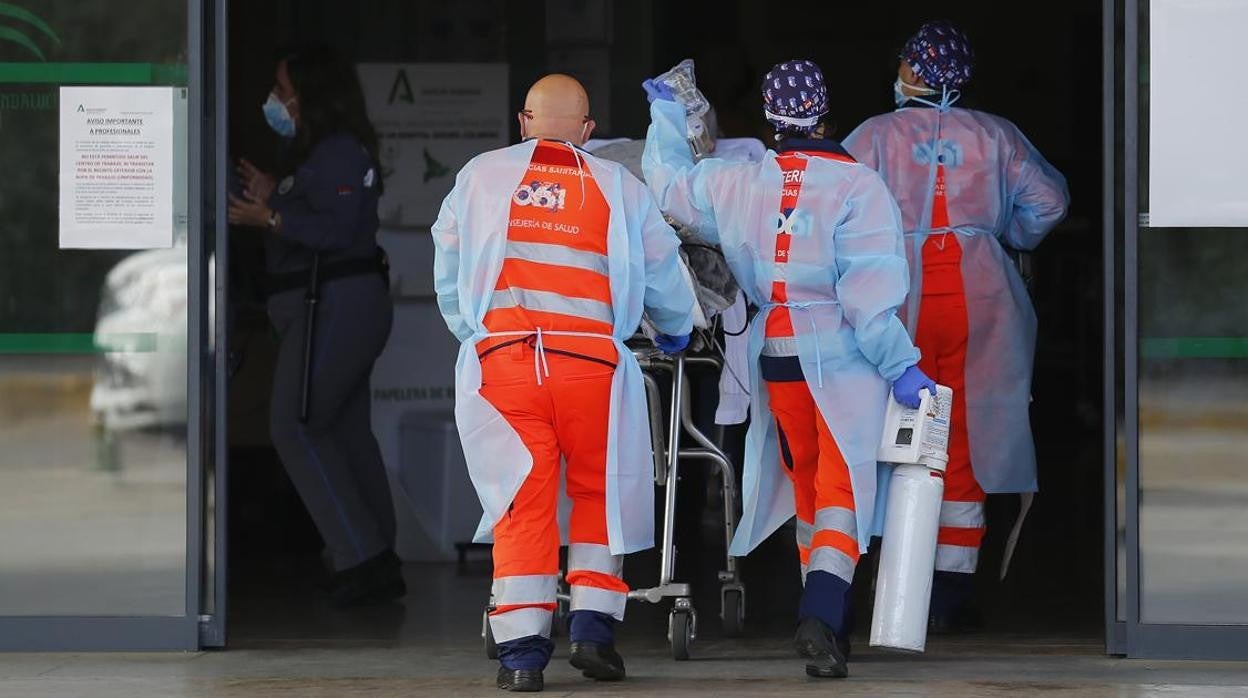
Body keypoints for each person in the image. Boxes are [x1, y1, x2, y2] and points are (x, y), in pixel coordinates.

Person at [642, 59, 935, 679]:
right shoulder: (859, 188)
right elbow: (869, 303)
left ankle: (829, 622)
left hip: (777, 360)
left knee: (808, 490)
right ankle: (823, 614)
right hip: (844, 360)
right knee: (844, 489)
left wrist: (668, 115)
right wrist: (904, 367)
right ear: (825, 113)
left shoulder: (736, 181)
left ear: (772, 122)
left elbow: (666, 186)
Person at [432, 74, 697, 692]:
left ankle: (522, 657)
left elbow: (448, 260)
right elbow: (663, 272)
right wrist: (679, 328)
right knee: (599, 495)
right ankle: (595, 635)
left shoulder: (480, 175)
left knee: (523, 504)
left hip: (507, 365)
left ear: (524, 121)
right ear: (587, 132)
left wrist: (470, 331)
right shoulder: (618, 185)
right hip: (592, 370)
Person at [842, 21, 1070, 632]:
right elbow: (1049, 201)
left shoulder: (872, 137)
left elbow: (831, 203)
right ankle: (947, 591)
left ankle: (886, 580)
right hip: (984, 297)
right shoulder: (997, 135)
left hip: (899, 299)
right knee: (963, 438)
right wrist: (1006, 236)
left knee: (888, 431)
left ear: (915, 72)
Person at [227, 45, 402, 608]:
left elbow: (338, 229)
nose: (275, 100)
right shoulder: (315, 155)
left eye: (283, 89)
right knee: (343, 431)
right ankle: (377, 557)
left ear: (310, 95)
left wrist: (272, 215)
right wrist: (273, 192)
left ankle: (362, 557)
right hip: (330, 303)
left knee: (295, 427)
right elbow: (314, 209)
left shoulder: (340, 152)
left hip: (336, 303)